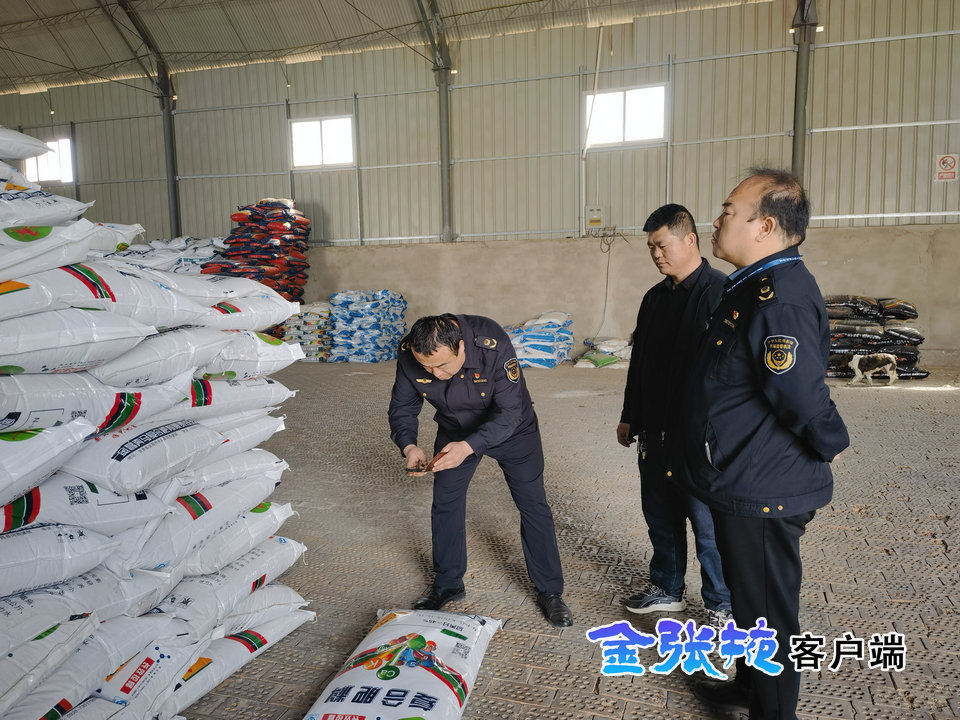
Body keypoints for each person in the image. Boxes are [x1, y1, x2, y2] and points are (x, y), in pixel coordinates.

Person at [681, 169, 849, 720]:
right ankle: (749, 689)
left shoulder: (780, 299)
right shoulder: (752, 286)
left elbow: (799, 393)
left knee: (769, 616)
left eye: (729, 211)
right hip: (739, 474)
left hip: (764, 485)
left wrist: (831, 441)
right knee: (750, 601)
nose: (717, 220)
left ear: (766, 226)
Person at [388, 313, 573, 627]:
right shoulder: (410, 352)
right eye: (427, 368)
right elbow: (403, 406)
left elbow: (510, 412)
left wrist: (468, 447)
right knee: (445, 501)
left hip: (513, 431)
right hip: (454, 429)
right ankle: (448, 582)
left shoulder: (491, 342)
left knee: (532, 504)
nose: (436, 374)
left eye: (442, 365)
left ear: (461, 346)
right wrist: (409, 446)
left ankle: (550, 590)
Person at [616, 203, 732, 626]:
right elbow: (640, 363)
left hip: (698, 437)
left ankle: (721, 603)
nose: (656, 254)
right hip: (655, 431)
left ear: (690, 240)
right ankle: (667, 588)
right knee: (660, 517)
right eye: (651, 247)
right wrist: (630, 414)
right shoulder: (654, 298)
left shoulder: (721, 293)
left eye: (662, 245)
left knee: (708, 525)